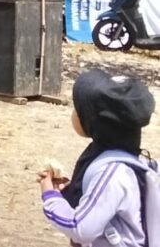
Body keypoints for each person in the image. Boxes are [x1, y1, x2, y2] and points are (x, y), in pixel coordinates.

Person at [39, 69, 156, 246]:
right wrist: (67, 192)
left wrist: (50, 197)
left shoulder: (112, 172)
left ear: (95, 123)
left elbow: (80, 228)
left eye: (79, 110)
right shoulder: (126, 158)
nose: (74, 114)